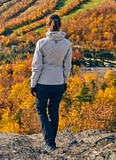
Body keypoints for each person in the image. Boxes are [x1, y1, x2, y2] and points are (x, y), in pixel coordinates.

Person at [30, 14, 72, 152]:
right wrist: (65, 82)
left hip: (43, 83)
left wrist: (33, 84)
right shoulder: (67, 44)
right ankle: (51, 140)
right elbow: (67, 66)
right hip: (58, 82)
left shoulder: (41, 43)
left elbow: (37, 66)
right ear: (60, 25)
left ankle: (49, 141)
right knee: (53, 110)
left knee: (41, 110)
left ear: (47, 25)